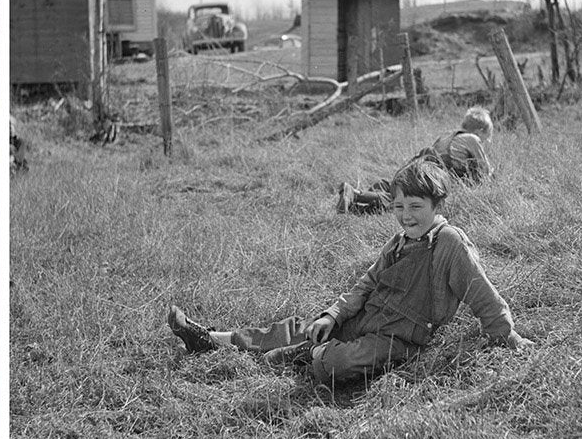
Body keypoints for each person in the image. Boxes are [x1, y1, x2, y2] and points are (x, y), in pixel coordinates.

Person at [168, 159, 533, 389]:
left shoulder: (449, 243)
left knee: (334, 363)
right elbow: (369, 282)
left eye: (416, 207)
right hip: (365, 318)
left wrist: (507, 335)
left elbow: (482, 293)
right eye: (400, 207)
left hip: (398, 337)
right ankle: (211, 338)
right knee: (302, 327)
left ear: (438, 206)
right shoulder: (399, 240)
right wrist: (334, 314)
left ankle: (307, 356)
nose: (407, 216)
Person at [335, 106, 495, 215]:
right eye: (487, 139)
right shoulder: (473, 138)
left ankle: (357, 207)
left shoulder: (448, 135)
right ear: (480, 131)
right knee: (409, 201)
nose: (486, 142)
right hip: (434, 172)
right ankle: (355, 194)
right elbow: (484, 170)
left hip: (420, 164)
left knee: (400, 192)